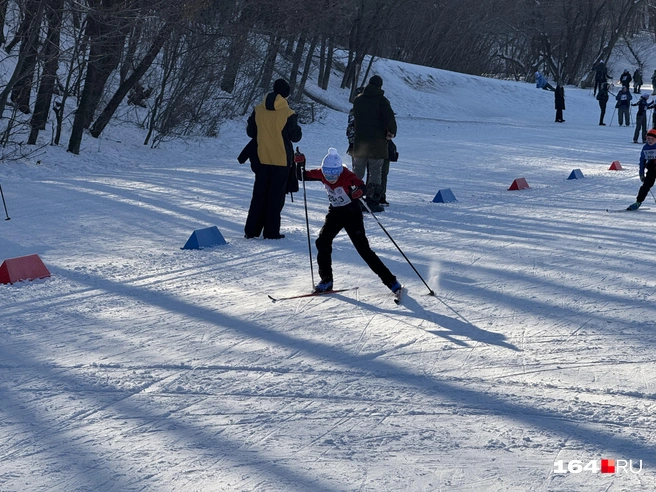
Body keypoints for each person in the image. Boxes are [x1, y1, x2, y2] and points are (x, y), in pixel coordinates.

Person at [297, 147, 402, 295]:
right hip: (335, 213)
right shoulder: (321, 173)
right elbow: (301, 176)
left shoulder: (346, 175)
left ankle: (391, 281)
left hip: (352, 214)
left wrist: (359, 191)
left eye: (334, 175)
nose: (330, 178)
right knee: (322, 242)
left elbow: (362, 186)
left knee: (363, 250)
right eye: (327, 175)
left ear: (339, 170)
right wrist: (300, 164)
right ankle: (326, 280)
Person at [243, 78, 302, 239]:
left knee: (259, 195)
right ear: (286, 95)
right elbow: (295, 136)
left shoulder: (258, 109)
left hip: (261, 158)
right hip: (281, 160)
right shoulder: (288, 113)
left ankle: (251, 230)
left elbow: (251, 132)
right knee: (275, 198)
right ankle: (271, 231)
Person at [351, 75, 397, 213]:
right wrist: (391, 132)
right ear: (380, 86)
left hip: (360, 142)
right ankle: (372, 200)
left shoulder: (358, 100)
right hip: (377, 143)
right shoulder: (382, 101)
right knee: (375, 172)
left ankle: (355, 198)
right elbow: (390, 119)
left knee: (357, 170)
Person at [626, 128, 656, 210]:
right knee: (645, 186)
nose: (650, 141)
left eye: (652, 139)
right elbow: (642, 161)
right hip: (652, 170)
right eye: (648, 138)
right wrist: (641, 173)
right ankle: (638, 202)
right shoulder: (645, 148)